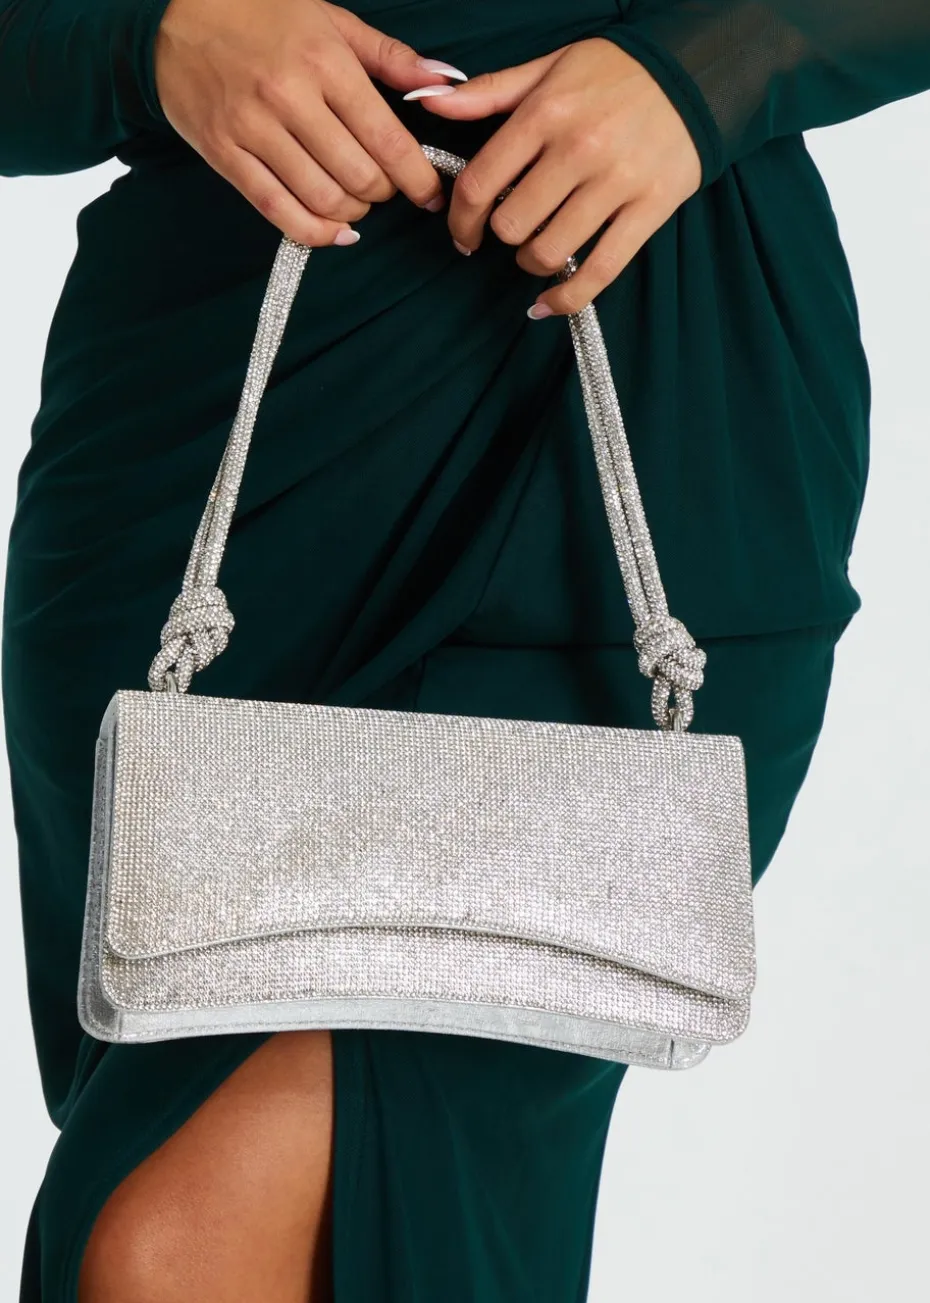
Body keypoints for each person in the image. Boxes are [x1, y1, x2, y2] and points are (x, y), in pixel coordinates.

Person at [1, 1, 928, 1300]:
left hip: (636, 427)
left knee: (171, 1243)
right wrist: (147, 42)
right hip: (213, 463)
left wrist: (720, 63)